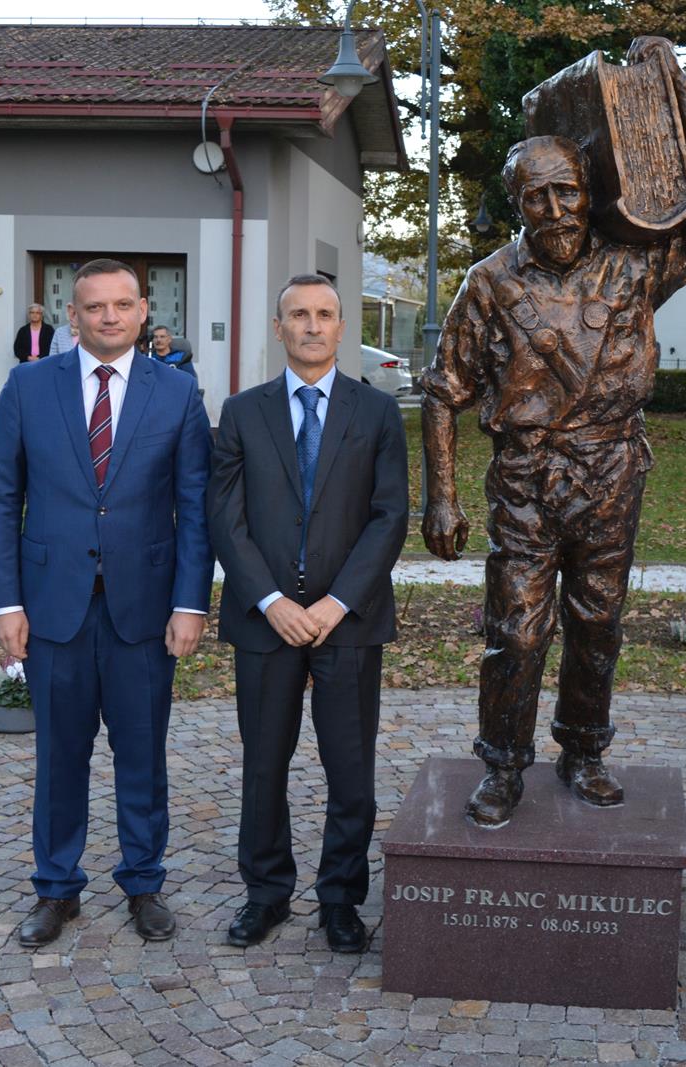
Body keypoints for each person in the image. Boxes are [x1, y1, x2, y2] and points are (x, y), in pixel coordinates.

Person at [420, 35, 686, 827]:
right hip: (528, 480)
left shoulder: (636, 265)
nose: (557, 210)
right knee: (516, 631)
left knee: (598, 625)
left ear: (588, 189)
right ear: (517, 204)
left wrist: (671, 88)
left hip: (611, 472)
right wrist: (441, 496)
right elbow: (443, 392)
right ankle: (502, 762)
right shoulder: (489, 283)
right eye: (537, 197)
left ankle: (583, 749)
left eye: (568, 192)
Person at [0, 258, 214, 948]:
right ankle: (56, 887)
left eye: (122, 304)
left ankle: (144, 881)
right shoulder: (27, 386)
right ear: (72, 316)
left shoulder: (177, 393)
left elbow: (193, 508)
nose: (109, 317)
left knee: (142, 751)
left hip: (144, 608)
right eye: (94, 306)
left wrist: (191, 602)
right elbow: (1, 501)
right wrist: (5, 602)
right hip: (53, 606)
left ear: (144, 311)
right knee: (59, 753)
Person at [208, 273, 408, 953]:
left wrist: (333, 601)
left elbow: (389, 517)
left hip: (348, 617)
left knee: (349, 766)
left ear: (342, 326)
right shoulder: (241, 412)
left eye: (324, 313)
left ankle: (341, 897)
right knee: (265, 762)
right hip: (264, 621)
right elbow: (225, 518)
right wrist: (269, 600)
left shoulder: (377, 414)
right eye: (298, 314)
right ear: (278, 326)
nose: (312, 325)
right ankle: (265, 892)